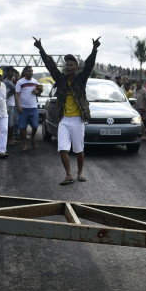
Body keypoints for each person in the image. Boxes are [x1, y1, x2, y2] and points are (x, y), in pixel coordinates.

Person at [33, 36, 100, 184]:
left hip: (78, 120)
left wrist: (94, 49)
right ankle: (68, 174)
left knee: (78, 150)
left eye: (71, 64)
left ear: (76, 67)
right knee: (62, 148)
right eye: (67, 65)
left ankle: (80, 172)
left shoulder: (81, 79)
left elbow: (89, 65)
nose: (68, 67)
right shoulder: (60, 79)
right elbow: (50, 65)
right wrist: (41, 50)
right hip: (63, 120)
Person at [15, 65, 43, 150]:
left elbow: (39, 92)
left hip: (33, 107)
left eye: (31, 71)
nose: (30, 72)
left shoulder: (35, 81)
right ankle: (25, 144)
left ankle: (32, 138)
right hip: (24, 108)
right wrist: (18, 106)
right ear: (24, 72)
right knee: (23, 127)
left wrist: (37, 91)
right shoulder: (20, 82)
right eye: (28, 71)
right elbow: (17, 95)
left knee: (35, 126)